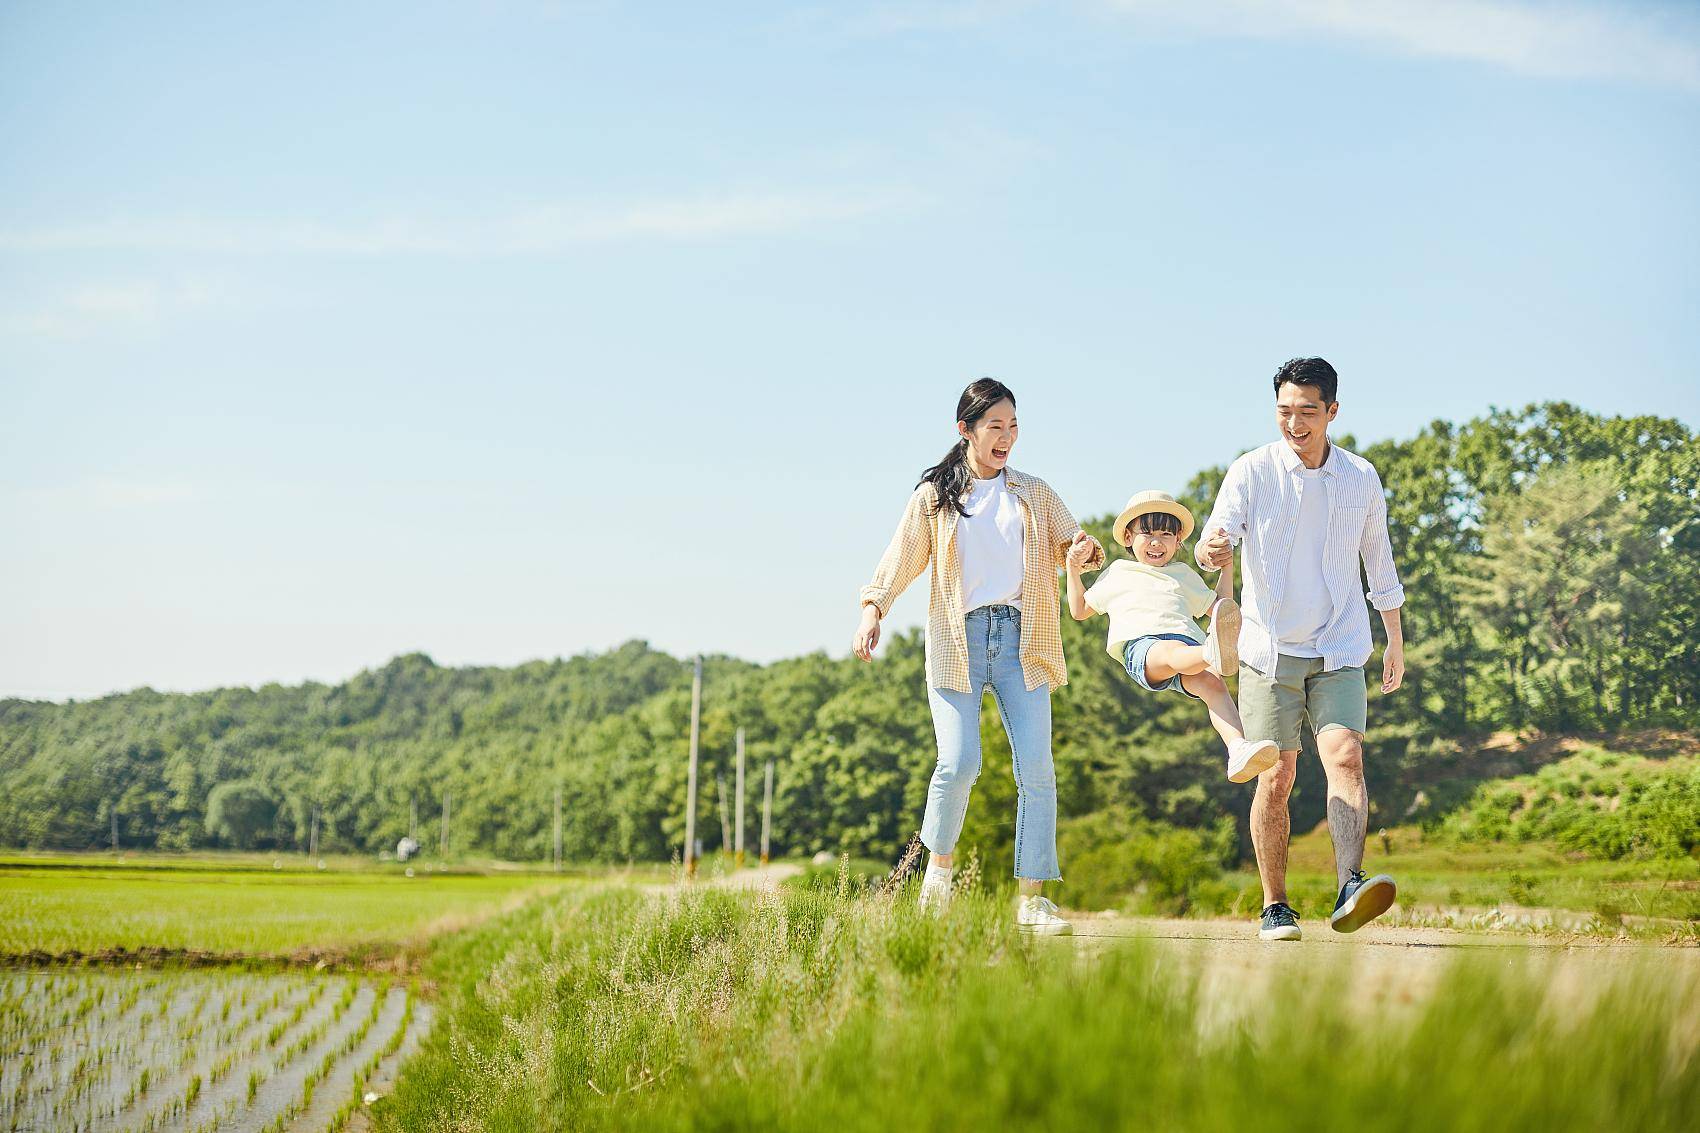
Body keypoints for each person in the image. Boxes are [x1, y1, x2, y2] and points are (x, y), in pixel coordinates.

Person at [854, 378, 1103, 936]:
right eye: (996, 426)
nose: (1007, 437)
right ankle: (936, 885)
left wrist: (1083, 549)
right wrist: (873, 609)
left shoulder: (1034, 493)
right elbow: (900, 560)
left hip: (1023, 640)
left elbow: (1074, 539)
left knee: (1037, 771)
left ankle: (1032, 902)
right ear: (964, 429)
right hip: (957, 641)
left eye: (1013, 427)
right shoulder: (935, 499)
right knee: (959, 762)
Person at [1196, 357, 1406, 942]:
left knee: (1345, 757)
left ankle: (1348, 884)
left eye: (1308, 412)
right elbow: (1218, 537)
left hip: (1339, 640)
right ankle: (1275, 904)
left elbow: (1379, 561)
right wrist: (1212, 552)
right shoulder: (1251, 470)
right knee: (1276, 776)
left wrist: (1394, 638)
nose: (1295, 423)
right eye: (1284, 411)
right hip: (1267, 647)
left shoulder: (1361, 477)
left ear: (1332, 412)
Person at [1065, 490, 1281, 783]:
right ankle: (1211, 652)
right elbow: (1079, 610)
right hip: (1144, 648)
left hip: (1188, 646)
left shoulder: (1183, 574)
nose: (1157, 542)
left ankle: (1237, 748)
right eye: (1147, 533)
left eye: (1167, 534)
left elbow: (1220, 609)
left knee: (1212, 683)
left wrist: (1227, 566)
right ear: (1128, 537)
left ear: (1178, 540)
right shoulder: (1119, 572)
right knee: (1172, 651)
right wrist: (1072, 569)